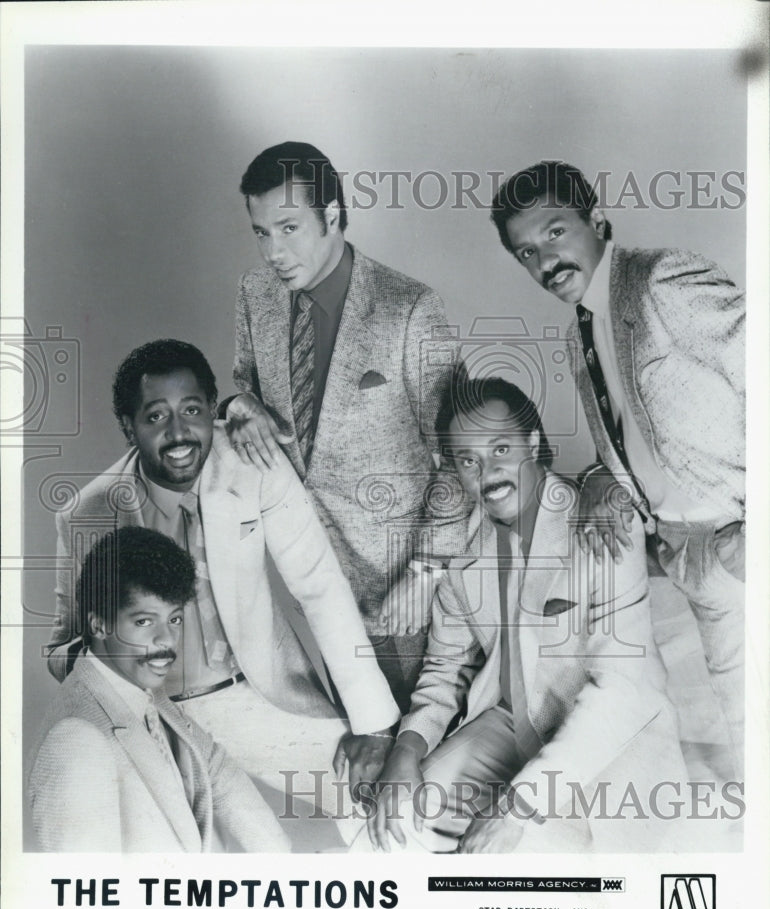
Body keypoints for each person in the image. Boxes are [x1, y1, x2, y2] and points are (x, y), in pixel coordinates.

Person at [47, 340, 400, 816]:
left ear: (213, 409)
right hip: (155, 716)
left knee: (382, 804)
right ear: (128, 427)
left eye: (192, 410)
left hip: (256, 693)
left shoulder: (252, 460)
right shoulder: (89, 512)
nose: (178, 433)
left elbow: (319, 586)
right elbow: (62, 651)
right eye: (155, 417)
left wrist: (374, 724)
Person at [489, 161, 745, 777]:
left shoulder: (661, 279)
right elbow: (629, 441)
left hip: (742, 534)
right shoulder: (579, 334)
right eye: (527, 252)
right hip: (691, 557)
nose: (545, 263)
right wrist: (605, 477)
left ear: (597, 220)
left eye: (555, 233)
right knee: (744, 723)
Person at [365, 376, 688, 853]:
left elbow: (624, 689)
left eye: (500, 449)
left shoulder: (599, 523)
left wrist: (517, 808)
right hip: (508, 727)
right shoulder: (459, 548)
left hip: (607, 743)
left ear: (533, 442)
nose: (488, 473)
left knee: (535, 876)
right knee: (391, 831)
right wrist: (406, 751)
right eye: (468, 461)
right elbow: (445, 667)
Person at [225, 141, 470, 710]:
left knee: (421, 746)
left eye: (288, 227)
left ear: (332, 215)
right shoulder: (255, 295)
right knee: (356, 739)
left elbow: (462, 451)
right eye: (261, 232)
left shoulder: (410, 308)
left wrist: (428, 569)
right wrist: (237, 407)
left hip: (402, 581)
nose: (273, 251)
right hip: (303, 571)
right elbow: (245, 388)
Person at [29, 526, 289, 852]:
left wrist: (281, 862)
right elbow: (88, 895)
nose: (166, 640)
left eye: (175, 620)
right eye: (144, 621)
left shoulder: (146, 695)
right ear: (99, 624)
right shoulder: (76, 740)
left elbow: (217, 769)